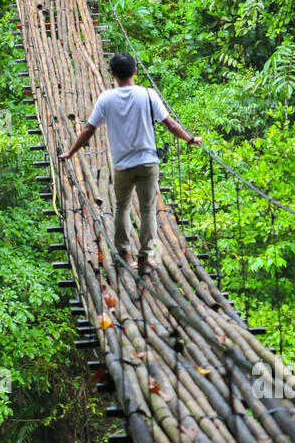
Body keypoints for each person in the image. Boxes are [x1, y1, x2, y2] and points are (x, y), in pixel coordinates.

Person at [59, 52, 199, 276]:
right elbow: (170, 123)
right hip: (147, 162)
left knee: (122, 208)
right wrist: (190, 139)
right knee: (148, 210)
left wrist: (70, 152)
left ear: (113, 75)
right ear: (135, 71)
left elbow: (89, 129)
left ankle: (124, 254)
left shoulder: (106, 98)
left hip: (122, 165)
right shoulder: (148, 94)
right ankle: (144, 258)